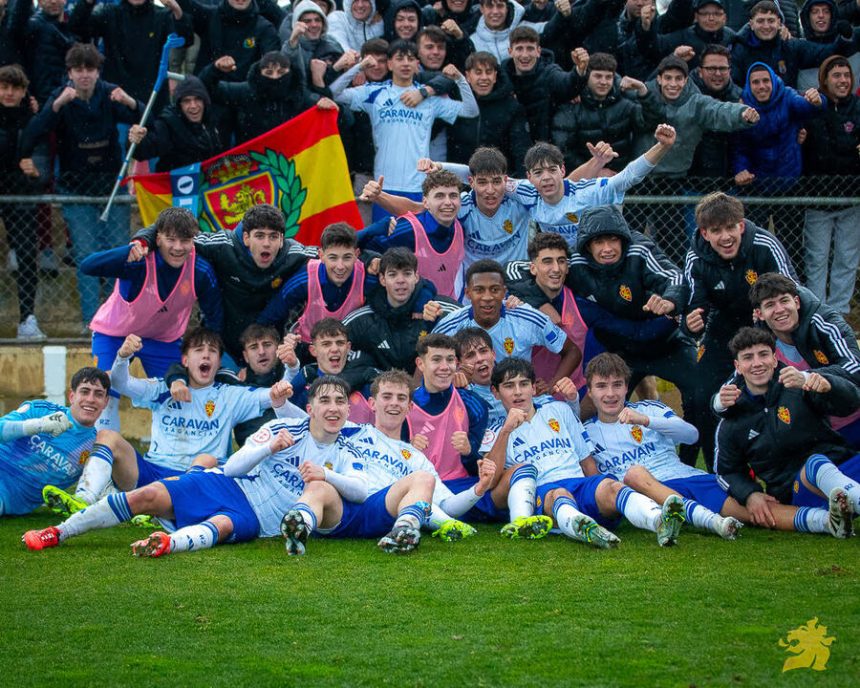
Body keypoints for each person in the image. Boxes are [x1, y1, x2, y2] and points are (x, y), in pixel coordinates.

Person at [22, 376, 365, 556]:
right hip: (229, 485)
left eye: (339, 402)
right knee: (148, 495)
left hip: (259, 521)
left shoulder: (350, 448)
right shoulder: (281, 428)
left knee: (224, 525)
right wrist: (269, 448)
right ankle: (59, 532)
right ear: (311, 407)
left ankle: (167, 543)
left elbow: (361, 491)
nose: (333, 409)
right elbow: (233, 467)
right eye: (325, 401)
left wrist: (326, 475)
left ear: (348, 411)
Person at [585, 351, 848, 538]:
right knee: (634, 475)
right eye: (602, 386)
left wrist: (645, 420)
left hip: (686, 479)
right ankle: (711, 522)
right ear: (590, 391)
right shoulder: (586, 433)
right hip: (646, 495)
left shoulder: (649, 408)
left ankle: (826, 522)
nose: (610, 394)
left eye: (617, 385)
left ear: (626, 386)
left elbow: (691, 435)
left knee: (753, 512)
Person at [40, 328, 292, 517]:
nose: (206, 356)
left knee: (207, 462)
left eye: (212, 352)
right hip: (152, 472)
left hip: (195, 480)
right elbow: (120, 382)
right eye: (198, 351)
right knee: (107, 436)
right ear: (185, 360)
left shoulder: (229, 395)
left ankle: (147, 509)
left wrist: (288, 374)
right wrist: (122, 357)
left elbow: (272, 395)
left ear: (218, 362)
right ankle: (83, 500)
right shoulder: (162, 388)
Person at [279, 370, 501, 553]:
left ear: (410, 407)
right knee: (318, 485)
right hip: (339, 507)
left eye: (401, 398)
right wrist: (279, 405)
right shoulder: (349, 430)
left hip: (381, 511)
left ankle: (403, 533)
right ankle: (300, 527)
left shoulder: (415, 457)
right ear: (373, 403)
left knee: (423, 479)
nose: (394, 403)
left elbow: (448, 507)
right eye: (387, 397)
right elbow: (309, 420)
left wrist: (479, 488)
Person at [483, 357, 688, 548]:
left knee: (612, 486)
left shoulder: (559, 410)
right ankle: (586, 530)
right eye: (509, 386)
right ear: (495, 392)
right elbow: (490, 482)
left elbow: (586, 459)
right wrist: (506, 430)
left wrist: (598, 486)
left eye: (524, 384)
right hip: (543, 491)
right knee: (558, 495)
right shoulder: (494, 432)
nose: (518, 392)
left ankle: (659, 521)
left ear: (534, 387)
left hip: (578, 482)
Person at [19, 43, 142, 330]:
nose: (84, 75)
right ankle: (92, 322)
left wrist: (131, 102)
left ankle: (119, 320)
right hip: (75, 190)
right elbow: (34, 131)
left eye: (90, 69)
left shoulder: (110, 93)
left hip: (112, 190)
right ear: (70, 72)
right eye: (78, 70)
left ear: (98, 72)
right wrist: (56, 105)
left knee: (118, 257)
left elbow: (148, 118)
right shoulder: (61, 96)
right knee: (87, 259)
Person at [81, 206, 222, 432]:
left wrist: (213, 355)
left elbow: (214, 318)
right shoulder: (139, 261)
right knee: (105, 395)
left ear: (193, 241)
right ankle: (100, 462)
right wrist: (130, 249)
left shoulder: (201, 271)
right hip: (114, 334)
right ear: (158, 238)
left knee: (176, 396)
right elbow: (87, 265)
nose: (177, 247)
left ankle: (169, 456)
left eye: (185, 240)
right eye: (170, 239)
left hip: (163, 340)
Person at [683, 191, 797, 467]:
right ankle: (716, 471)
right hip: (722, 331)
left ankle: (787, 464)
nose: (725, 237)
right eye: (716, 230)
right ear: (705, 233)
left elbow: (792, 293)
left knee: (786, 394)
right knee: (703, 398)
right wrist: (691, 324)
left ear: (741, 225)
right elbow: (693, 307)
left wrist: (779, 330)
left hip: (768, 328)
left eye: (731, 227)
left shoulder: (764, 245)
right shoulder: (695, 258)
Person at [713, 327, 860, 535]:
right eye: (748, 358)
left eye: (763, 354)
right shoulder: (732, 419)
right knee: (815, 464)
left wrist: (829, 386)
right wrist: (750, 494)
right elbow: (726, 471)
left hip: (843, 467)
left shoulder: (799, 384)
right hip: (799, 491)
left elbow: (850, 404)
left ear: (774, 359)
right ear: (738, 366)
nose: (757, 363)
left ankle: (849, 501)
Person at [132, 203, 317, 365]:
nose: (267, 243)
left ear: (281, 239)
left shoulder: (294, 254)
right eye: (259, 236)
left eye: (273, 237)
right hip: (222, 342)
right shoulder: (223, 245)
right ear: (246, 238)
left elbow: (330, 254)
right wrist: (142, 241)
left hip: (266, 348)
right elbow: (169, 232)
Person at [334, 40, 478, 217]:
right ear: (389, 64)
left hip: (418, 186)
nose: (405, 63)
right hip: (383, 187)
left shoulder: (428, 98)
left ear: (417, 64)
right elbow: (334, 93)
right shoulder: (374, 92)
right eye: (399, 58)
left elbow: (471, 111)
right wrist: (359, 67)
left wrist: (460, 79)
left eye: (410, 59)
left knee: (415, 241)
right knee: (384, 242)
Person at [718, 273, 860, 446]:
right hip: (818, 433)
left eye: (784, 301)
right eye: (770, 305)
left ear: (797, 302)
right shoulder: (760, 339)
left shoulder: (824, 321)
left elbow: (855, 368)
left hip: (855, 416)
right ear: (759, 313)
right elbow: (738, 379)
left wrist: (807, 377)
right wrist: (719, 401)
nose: (779, 310)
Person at [507, 123, 677, 248]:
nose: (546, 178)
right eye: (538, 173)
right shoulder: (524, 191)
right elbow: (490, 181)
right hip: (558, 264)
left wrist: (662, 147)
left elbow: (629, 176)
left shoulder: (587, 192)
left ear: (563, 170)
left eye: (552, 170)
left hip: (593, 262)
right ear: (528, 177)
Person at [733, 61, 826, 276]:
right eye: (756, 82)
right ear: (749, 84)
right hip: (756, 186)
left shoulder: (787, 96)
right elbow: (739, 145)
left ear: (774, 82)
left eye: (766, 80)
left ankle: (795, 292)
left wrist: (816, 100)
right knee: (752, 246)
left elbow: (810, 108)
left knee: (791, 246)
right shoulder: (743, 104)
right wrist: (741, 169)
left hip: (789, 185)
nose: (762, 86)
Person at [434, 260, 581, 392]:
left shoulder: (527, 318)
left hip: (518, 404)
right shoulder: (449, 326)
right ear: (468, 293)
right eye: (479, 290)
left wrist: (551, 388)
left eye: (494, 290)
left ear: (504, 292)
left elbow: (573, 351)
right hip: (471, 406)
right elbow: (426, 366)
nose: (487, 297)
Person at [0, 367, 109, 516]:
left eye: (98, 394)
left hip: (8, 498)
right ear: (72, 396)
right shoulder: (40, 410)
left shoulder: (96, 447)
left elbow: (102, 484)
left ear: (105, 402)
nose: (90, 399)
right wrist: (39, 425)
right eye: (84, 391)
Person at [165, 323, 291, 446]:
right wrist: (177, 381)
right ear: (245, 356)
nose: (261, 352)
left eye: (267, 345)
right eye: (254, 347)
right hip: (256, 449)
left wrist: (294, 365)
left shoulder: (294, 370)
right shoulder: (233, 381)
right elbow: (189, 366)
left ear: (278, 348)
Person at [801, 55, 860, 314]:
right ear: (824, 79)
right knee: (817, 260)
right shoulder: (811, 107)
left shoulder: (858, 108)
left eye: (846, 75)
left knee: (847, 260)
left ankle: (840, 313)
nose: (843, 81)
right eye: (836, 75)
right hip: (817, 199)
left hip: (851, 198)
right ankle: (817, 313)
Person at [343, 247, 461, 374]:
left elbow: (475, 330)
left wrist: (461, 372)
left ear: (416, 277)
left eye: (407, 273)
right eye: (393, 274)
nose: (400, 280)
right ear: (382, 279)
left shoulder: (439, 310)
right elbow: (332, 346)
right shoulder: (363, 319)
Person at [68, 0, 191, 114]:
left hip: (152, 99)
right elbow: (78, 29)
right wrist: (87, 2)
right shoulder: (110, 14)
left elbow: (186, 40)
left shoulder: (162, 15)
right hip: (116, 97)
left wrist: (177, 11)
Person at [257, 222, 374, 338]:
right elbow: (268, 318)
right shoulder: (305, 279)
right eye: (333, 258)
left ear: (357, 254)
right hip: (308, 347)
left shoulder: (366, 276)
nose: (340, 266)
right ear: (321, 255)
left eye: (347, 257)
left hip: (349, 348)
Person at [361, 169, 466, 298]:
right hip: (412, 313)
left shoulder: (461, 226)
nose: (448, 202)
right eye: (439, 196)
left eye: (453, 196)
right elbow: (359, 249)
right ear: (426, 202)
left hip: (448, 310)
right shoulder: (408, 229)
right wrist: (371, 260)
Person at [551, 52, 662, 173]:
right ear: (587, 76)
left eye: (608, 77)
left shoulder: (625, 105)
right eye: (598, 76)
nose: (603, 82)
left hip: (621, 176)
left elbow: (651, 121)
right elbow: (563, 149)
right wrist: (595, 171)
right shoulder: (571, 107)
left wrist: (643, 90)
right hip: (582, 180)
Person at [408, 333, 489, 483]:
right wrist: (407, 450)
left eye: (450, 360)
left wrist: (468, 451)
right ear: (420, 364)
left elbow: (478, 468)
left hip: (461, 485)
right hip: (417, 486)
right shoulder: (404, 405)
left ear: (457, 363)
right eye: (436, 360)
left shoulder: (474, 404)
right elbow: (390, 461)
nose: (444, 367)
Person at [0, 64, 44, 340]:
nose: (8, 93)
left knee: (27, 255)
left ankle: (27, 319)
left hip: (22, 196)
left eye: (14, 88)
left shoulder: (32, 119)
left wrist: (35, 171)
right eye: (4, 87)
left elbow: (40, 163)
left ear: (23, 91)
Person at [730, 0, 853, 89]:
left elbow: (826, 53)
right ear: (751, 24)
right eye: (761, 21)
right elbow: (734, 84)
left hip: (788, 116)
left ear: (779, 23)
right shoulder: (740, 49)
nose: (766, 26)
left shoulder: (790, 45)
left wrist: (844, 38)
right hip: (753, 114)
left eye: (771, 21)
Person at [448, 52, 530, 177]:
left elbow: (520, 150)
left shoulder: (511, 107)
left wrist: (523, 182)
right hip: (459, 178)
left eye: (488, 72)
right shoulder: (455, 101)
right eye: (478, 72)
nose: (484, 77)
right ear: (468, 76)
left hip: (498, 179)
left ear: (495, 76)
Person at [278, 318, 379, 417]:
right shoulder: (303, 381)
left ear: (348, 348)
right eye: (326, 344)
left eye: (340, 343)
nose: (335, 349)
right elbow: (286, 419)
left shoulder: (365, 379)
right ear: (313, 350)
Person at [501, 26, 585, 144]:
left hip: (545, 144)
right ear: (510, 52)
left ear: (538, 51)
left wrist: (579, 71)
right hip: (513, 144)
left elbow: (567, 83)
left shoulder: (549, 72)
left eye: (530, 49)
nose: (525, 55)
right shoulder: (501, 77)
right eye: (519, 49)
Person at [128, 75, 223, 172]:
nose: (193, 106)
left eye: (197, 99)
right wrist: (137, 140)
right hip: (176, 184)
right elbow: (146, 149)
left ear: (204, 102)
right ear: (179, 105)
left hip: (209, 182)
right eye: (187, 101)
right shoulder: (169, 123)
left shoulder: (211, 119)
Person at [634, 0, 736, 70]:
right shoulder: (683, 36)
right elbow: (653, 49)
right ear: (696, 16)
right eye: (705, 14)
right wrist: (646, 27)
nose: (711, 18)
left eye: (717, 14)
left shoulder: (731, 37)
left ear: (724, 17)